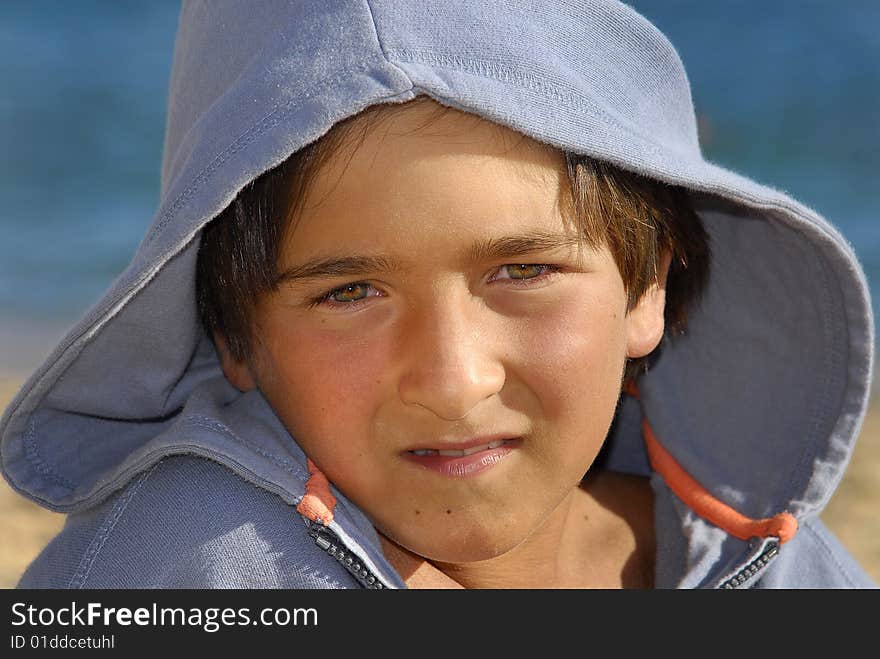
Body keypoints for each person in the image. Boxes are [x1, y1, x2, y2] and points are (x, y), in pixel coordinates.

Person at [1, 0, 874, 589]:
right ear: (236, 332)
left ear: (648, 282)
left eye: (522, 271)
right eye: (351, 291)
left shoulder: (775, 566)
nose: (454, 383)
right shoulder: (185, 567)